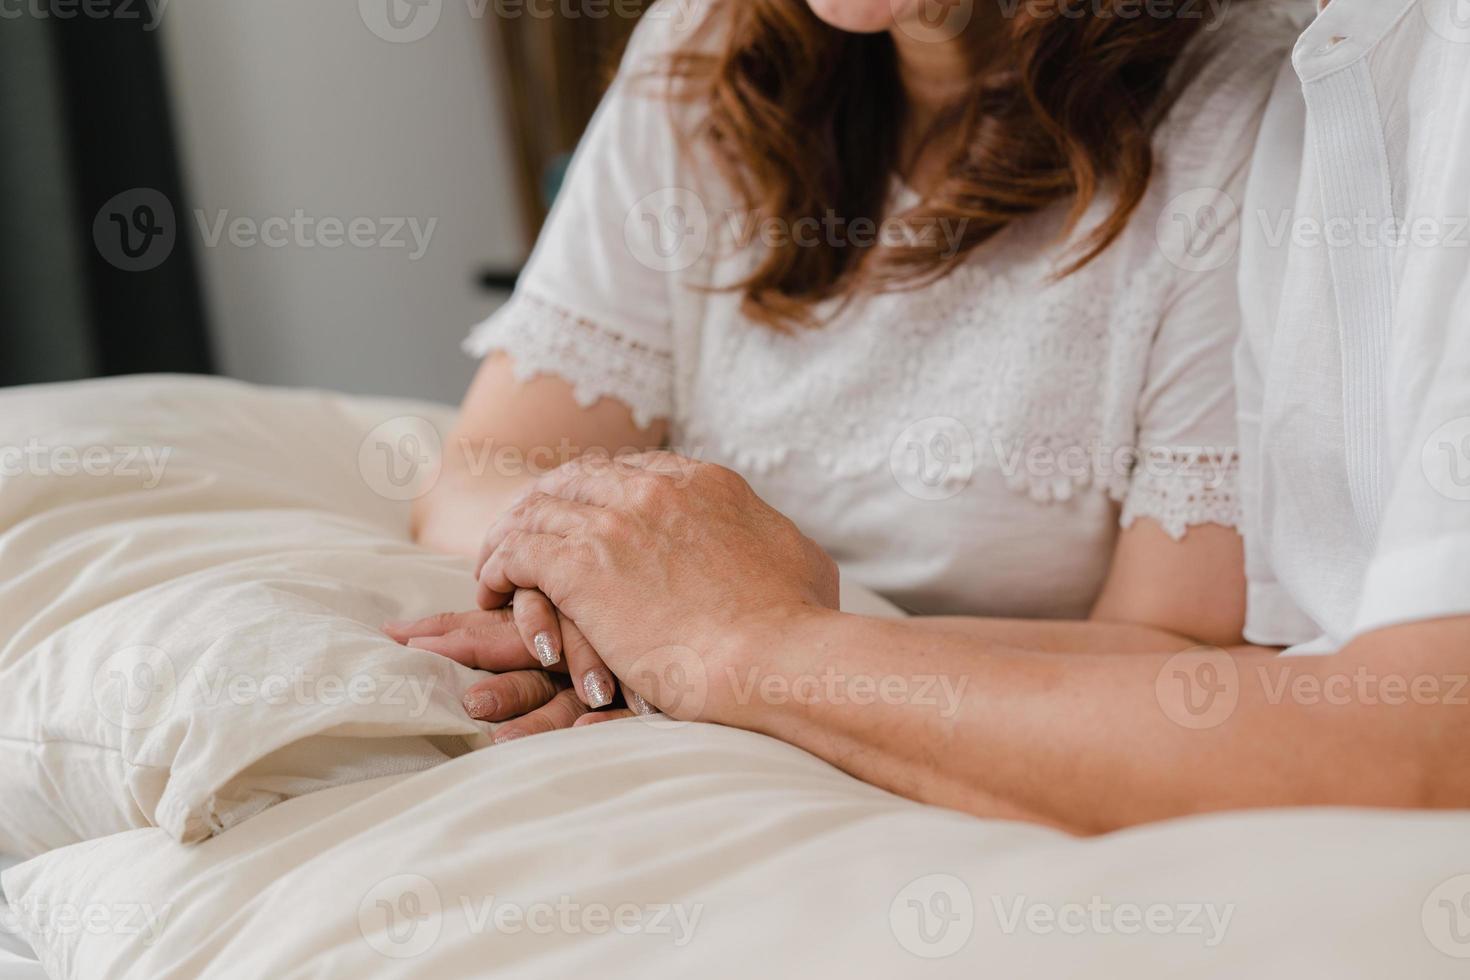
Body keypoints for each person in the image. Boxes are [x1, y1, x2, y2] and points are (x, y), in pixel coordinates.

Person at [388, 0, 1461, 835]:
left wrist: (734, 629)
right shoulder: (708, 49)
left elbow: (1213, 653)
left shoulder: (1249, 106)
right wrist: (611, 596)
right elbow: (491, 461)